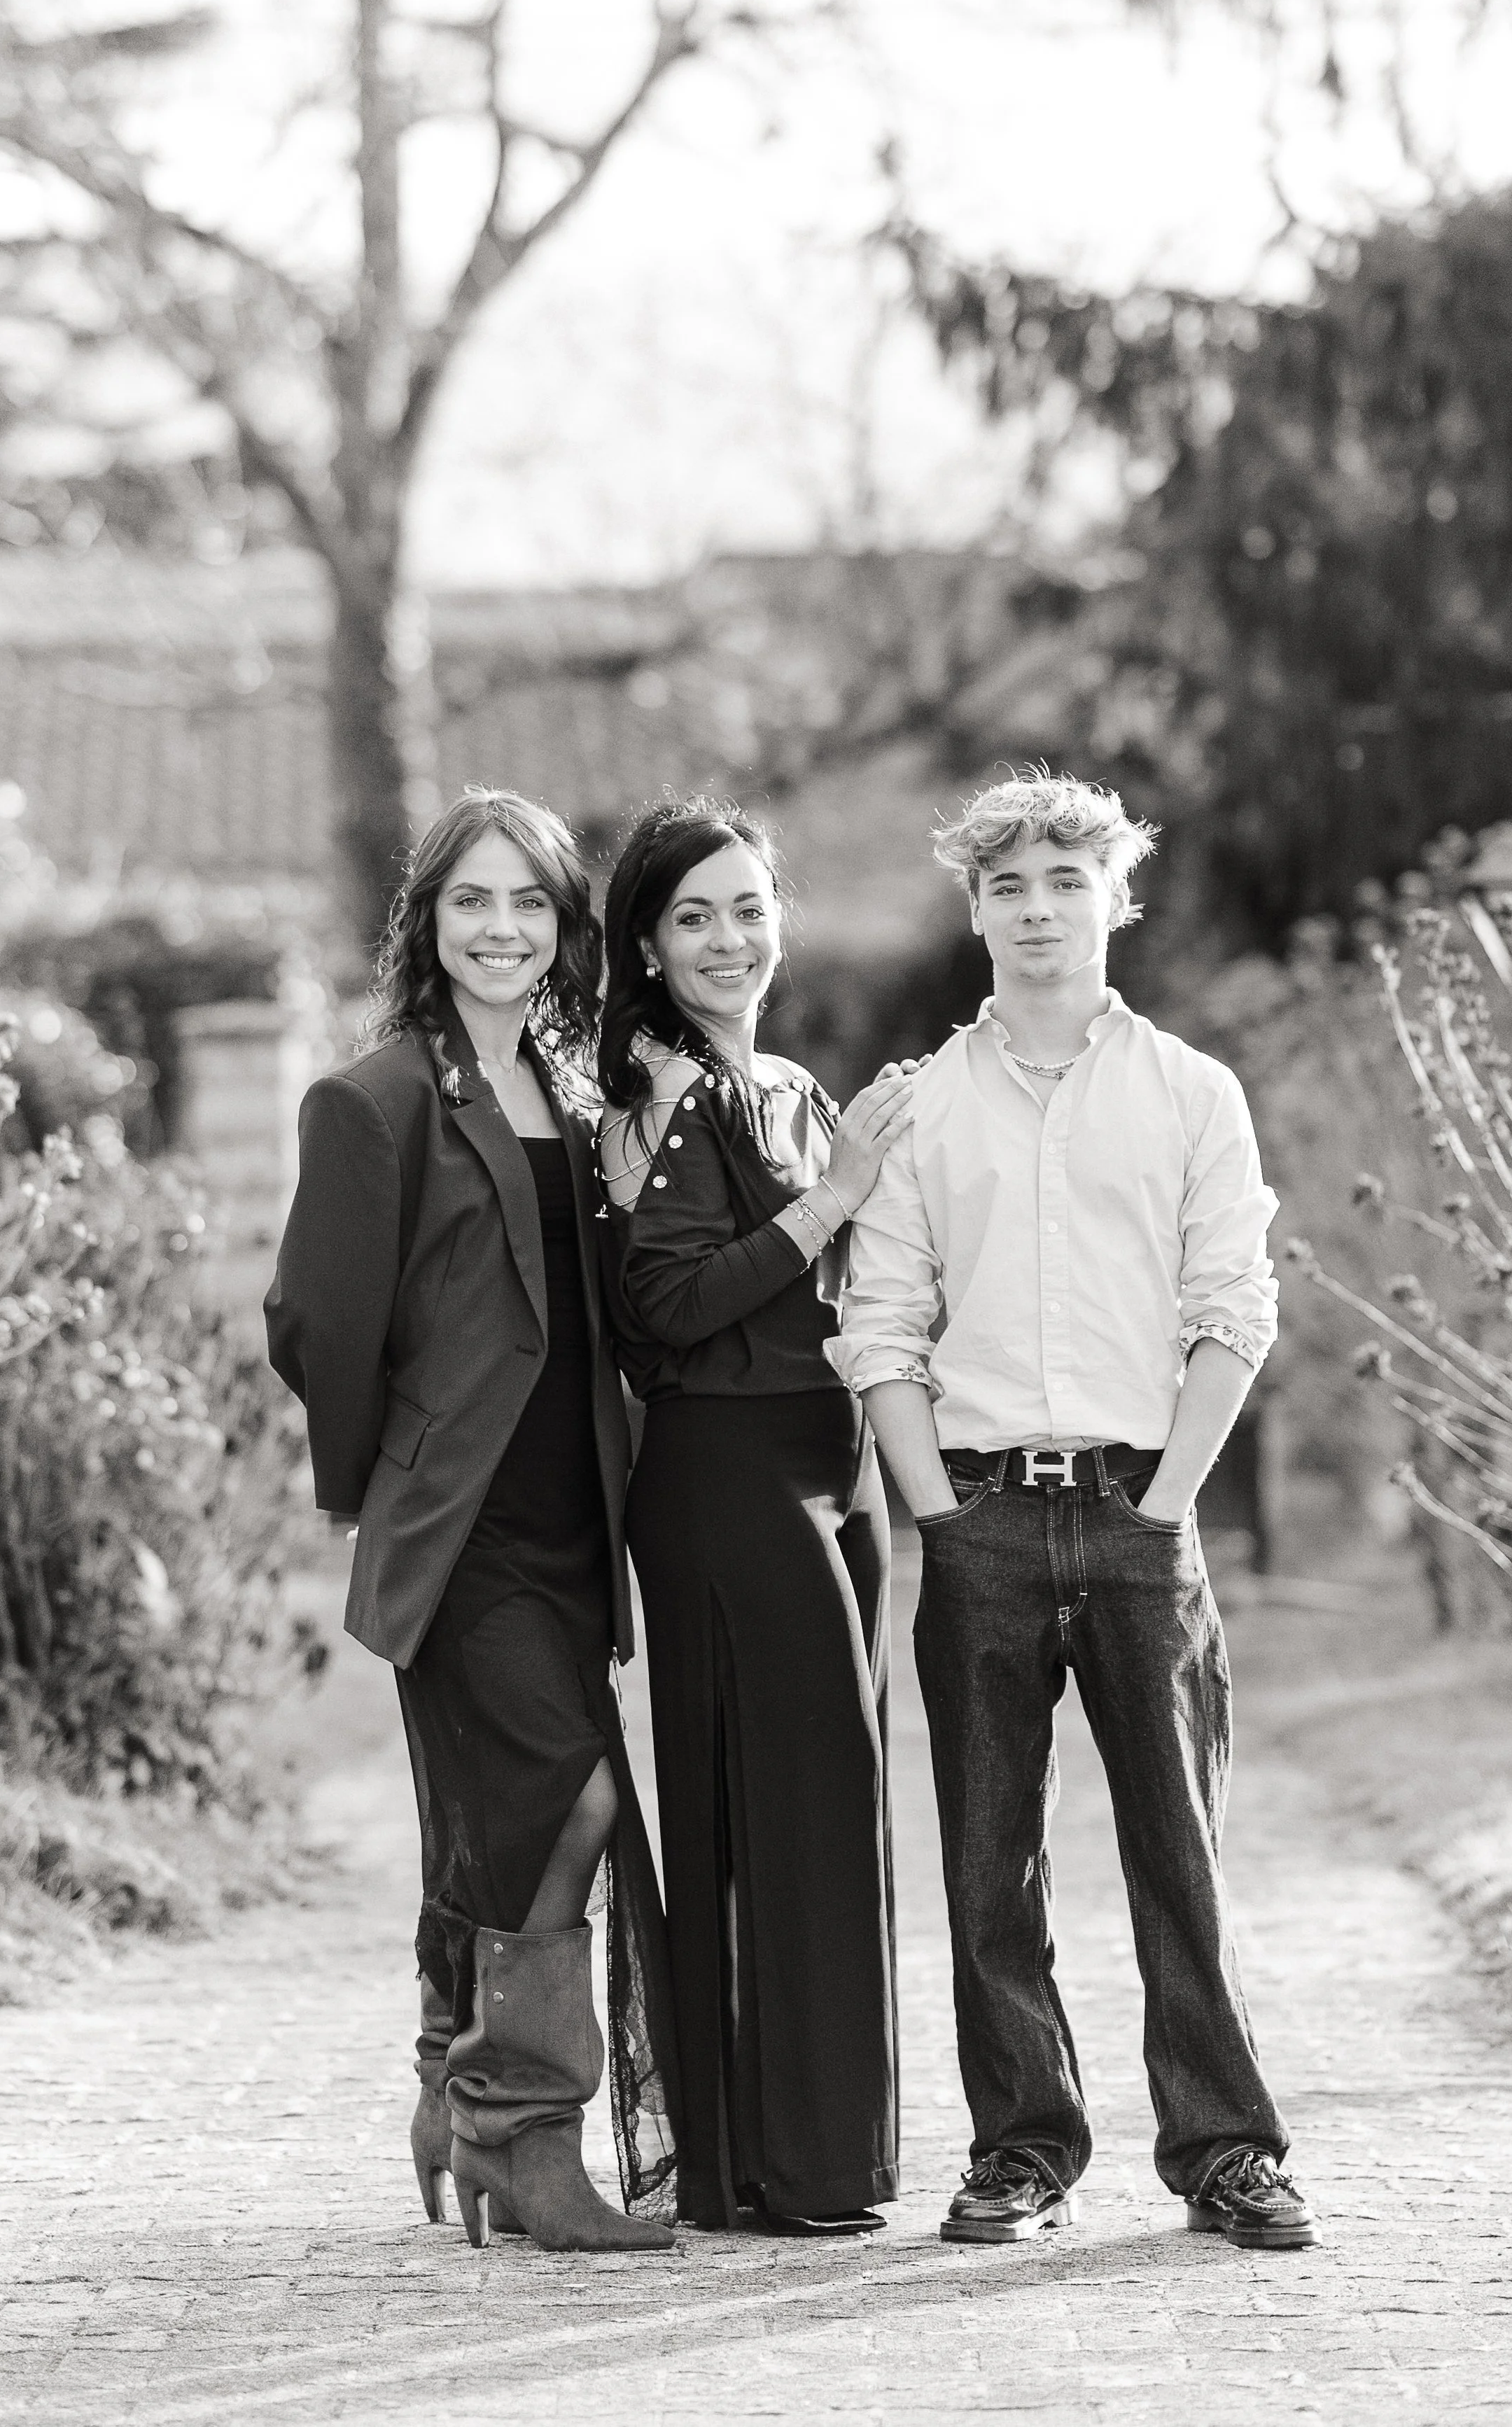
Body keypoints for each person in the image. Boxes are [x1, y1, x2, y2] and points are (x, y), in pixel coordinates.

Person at [830, 770, 1320, 2253]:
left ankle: (1226, 2150)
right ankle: (1022, 2150)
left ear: (1115, 897)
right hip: (977, 1515)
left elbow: (1233, 1307)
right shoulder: (922, 1107)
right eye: (1008, 886)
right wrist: (934, 1511)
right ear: (976, 910)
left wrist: (1166, 1503)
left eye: (1064, 880)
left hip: (1137, 1514)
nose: (1038, 909)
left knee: (1180, 1853)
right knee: (989, 1867)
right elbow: (880, 1322)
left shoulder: (1190, 1092)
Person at [265, 788, 678, 2255]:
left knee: (498, 1819)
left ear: (565, 927)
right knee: (573, 1800)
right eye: (470, 901)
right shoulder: (371, 1098)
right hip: (462, 1528)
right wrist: (375, 1483)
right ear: (426, 921)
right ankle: (521, 2129)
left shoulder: (574, 1093)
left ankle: (454, 2079)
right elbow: (315, 1321)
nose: (501, 928)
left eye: (528, 903)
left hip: (574, 1524)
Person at [596, 798, 912, 2235]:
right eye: (693, 918)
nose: (729, 940)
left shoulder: (789, 1084)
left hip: (836, 1462)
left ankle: (820, 2155)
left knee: (835, 1801)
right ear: (648, 949)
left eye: (748, 907)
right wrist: (834, 1198)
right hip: (727, 1469)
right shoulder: (658, 1101)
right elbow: (661, 1309)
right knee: (786, 1797)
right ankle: (777, 2163)